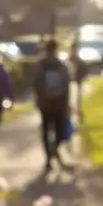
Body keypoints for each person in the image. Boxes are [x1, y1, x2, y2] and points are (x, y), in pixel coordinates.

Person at [32, 39, 73, 172]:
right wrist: (67, 103)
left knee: (45, 130)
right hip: (59, 102)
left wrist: (39, 99)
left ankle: (48, 159)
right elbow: (67, 85)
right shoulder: (62, 65)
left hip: (45, 103)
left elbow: (36, 83)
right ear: (56, 49)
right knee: (59, 130)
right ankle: (55, 148)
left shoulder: (40, 65)